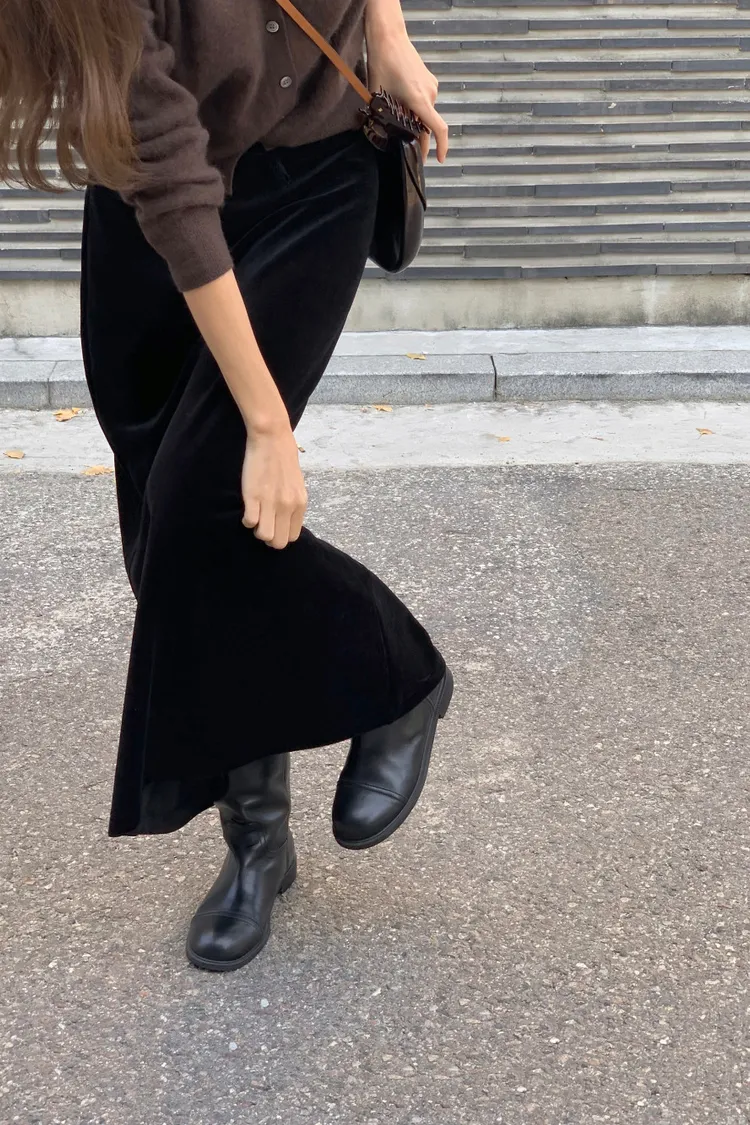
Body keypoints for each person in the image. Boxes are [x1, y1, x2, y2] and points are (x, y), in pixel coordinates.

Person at [0, 0, 454, 972]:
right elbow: (168, 182)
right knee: (165, 535)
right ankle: (261, 838)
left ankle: (396, 681)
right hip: (150, 203)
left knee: (202, 502)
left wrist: (387, 32)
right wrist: (264, 423)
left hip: (317, 174)